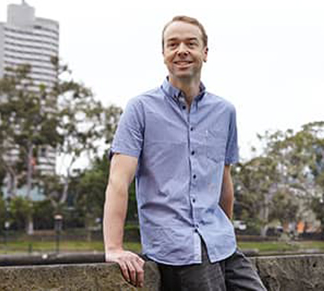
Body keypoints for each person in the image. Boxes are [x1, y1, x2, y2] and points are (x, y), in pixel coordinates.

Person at [103, 15, 266, 290]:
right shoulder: (140, 109)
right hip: (176, 249)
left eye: (191, 43)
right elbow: (118, 182)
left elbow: (224, 181)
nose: (181, 50)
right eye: (172, 44)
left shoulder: (224, 112)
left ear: (205, 52)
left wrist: (225, 230)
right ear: (164, 53)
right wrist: (114, 248)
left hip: (221, 243)